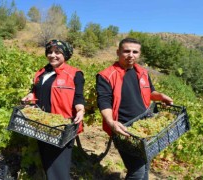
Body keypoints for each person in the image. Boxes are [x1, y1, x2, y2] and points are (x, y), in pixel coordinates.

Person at [96, 38, 173, 180]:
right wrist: (110, 121)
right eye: (126, 51)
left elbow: (150, 93)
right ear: (118, 52)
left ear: (139, 54)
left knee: (145, 164)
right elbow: (104, 101)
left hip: (144, 128)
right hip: (124, 129)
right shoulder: (106, 75)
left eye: (135, 52)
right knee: (137, 171)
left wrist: (161, 96)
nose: (131, 55)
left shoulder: (142, 72)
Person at [21, 39, 85, 180]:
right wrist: (30, 96)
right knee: (48, 164)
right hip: (42, 124)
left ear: (65, 55)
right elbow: (35, 92)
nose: (53, 55)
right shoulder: (41, 73)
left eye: (57, 52)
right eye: (49, 52)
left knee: (58, 169)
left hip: (61, 128)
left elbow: (79, 97)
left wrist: (80, 110)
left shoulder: (74, 74)